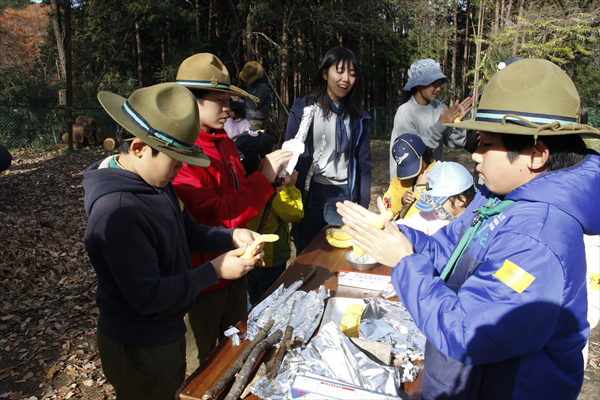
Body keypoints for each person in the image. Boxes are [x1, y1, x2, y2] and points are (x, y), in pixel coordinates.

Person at [337, 59, 599, 399]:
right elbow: (450, 248)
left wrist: (405, 263)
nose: (475, 154)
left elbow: (467, 331)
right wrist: (398, 237)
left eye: (487, 144)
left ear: (535, 155)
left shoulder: (538, 238)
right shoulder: (499, 198)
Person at [83, 83, 263, 399]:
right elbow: (148, 296)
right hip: (139, 345)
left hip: (165, 330)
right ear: (139, 148)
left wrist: (229, 235)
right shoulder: (119, 213)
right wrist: (215, 271)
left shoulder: (155, 181)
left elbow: (188, 230)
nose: (181, 168)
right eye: (175, 158)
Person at [173, 53, 292, 368]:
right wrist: (263, 177)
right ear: (190, 102)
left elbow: (239, 196)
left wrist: (271, 183)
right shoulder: (181, 153)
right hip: (203, 279)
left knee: (235, 348)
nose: (228, 107)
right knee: (199, 362)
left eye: (229, 99)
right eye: (219, 100)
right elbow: (214, 216)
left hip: (237, 268)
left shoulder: (224, 141)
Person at [284, 45, 371, 254]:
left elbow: (364, 162)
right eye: (339, 71)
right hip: (309, 192)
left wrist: (362, 203)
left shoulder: (359, 116)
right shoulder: (304, 108)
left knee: (338, 252)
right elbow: (290, 152)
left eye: (352, 74)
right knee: (308, 253)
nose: (346, 79)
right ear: (325, 73)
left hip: (342, 192)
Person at [235, 131, 304, 305]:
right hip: (271, 257)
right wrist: (292, 186)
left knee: (254, 293)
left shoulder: (241, 183)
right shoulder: (271, 189)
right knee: (270, 299)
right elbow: (294, 213)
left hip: (247, 252)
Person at [389, 58, 474, 181]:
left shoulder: (439, 107)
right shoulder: (405, 112)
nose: (438, 89)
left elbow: (453, 142)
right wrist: (441, 124)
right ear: (418, 85)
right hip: (409, 182)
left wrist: (456, 122)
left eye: (439, 84)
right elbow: (413, 152)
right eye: (433, 84)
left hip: (434, 181)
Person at [398, 161, 475, 236]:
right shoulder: (432, 215)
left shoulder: (475, 222)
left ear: (461, 200)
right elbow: (411, 223)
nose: (433, 207)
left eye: (438, 202)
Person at [383, 133, 436, 219]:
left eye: (413, 166)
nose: (410, 174)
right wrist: (401, 201)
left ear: (424, 155)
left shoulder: (439, 174)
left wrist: (421, 190)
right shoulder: (399, 179)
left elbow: (437, 209)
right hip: (400, 227)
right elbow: (386, 202)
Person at [239, 61, 271, 131]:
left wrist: (241, 101)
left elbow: (254, 105)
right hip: (249, 119)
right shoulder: (252, 86)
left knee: (251, 140)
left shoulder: (262, 87)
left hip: (255, 121)